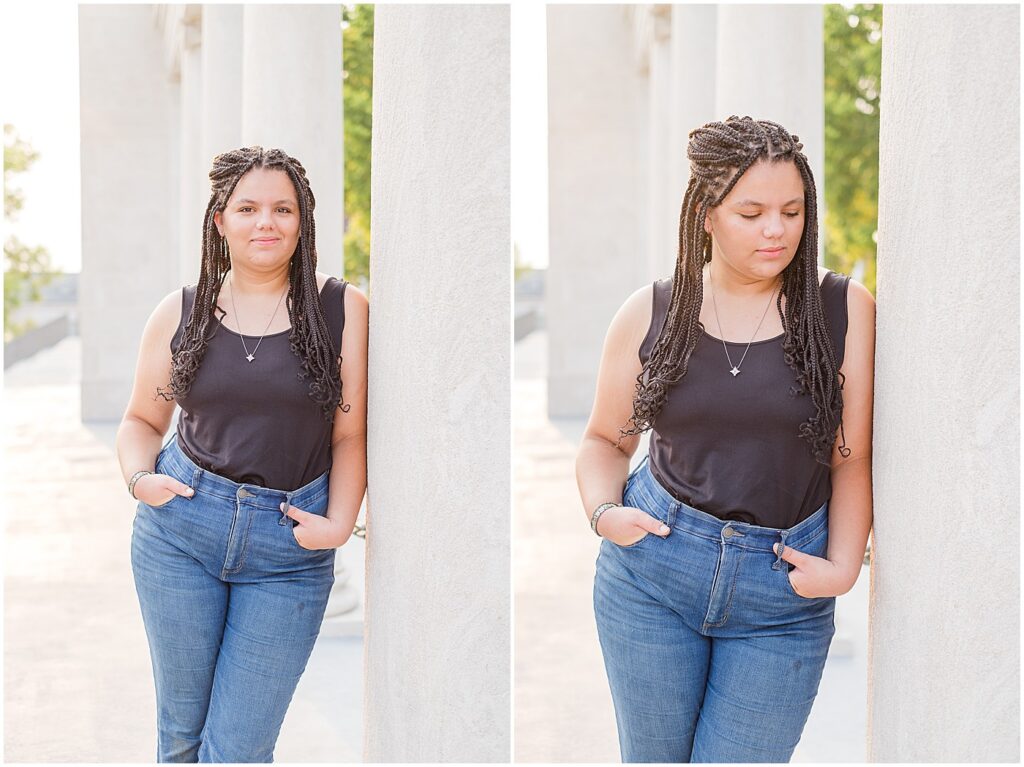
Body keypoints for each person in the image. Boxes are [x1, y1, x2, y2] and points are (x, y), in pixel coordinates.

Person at [576, 116, 875, 763]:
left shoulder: (843, 310)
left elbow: (850, 460)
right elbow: (605, 439)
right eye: (753, 211)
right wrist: (605, 513)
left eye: (792, 211)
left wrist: (844, 568)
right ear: (707, 214)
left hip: (782, 595)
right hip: (654, 576)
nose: (777, 229)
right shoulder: (650, 312)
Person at [116, 146, 368, 763]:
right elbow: (142, 421)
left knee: (238, 750)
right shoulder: (181, 312)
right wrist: (140, 480)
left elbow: (349, 435)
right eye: (248, 207)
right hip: (181, 533)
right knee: (180, 736)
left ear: (302, 221)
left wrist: (338, 525)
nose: (267, 223)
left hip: (288, 550)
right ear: (219, 219)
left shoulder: (342, 311)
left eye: (283, 209)